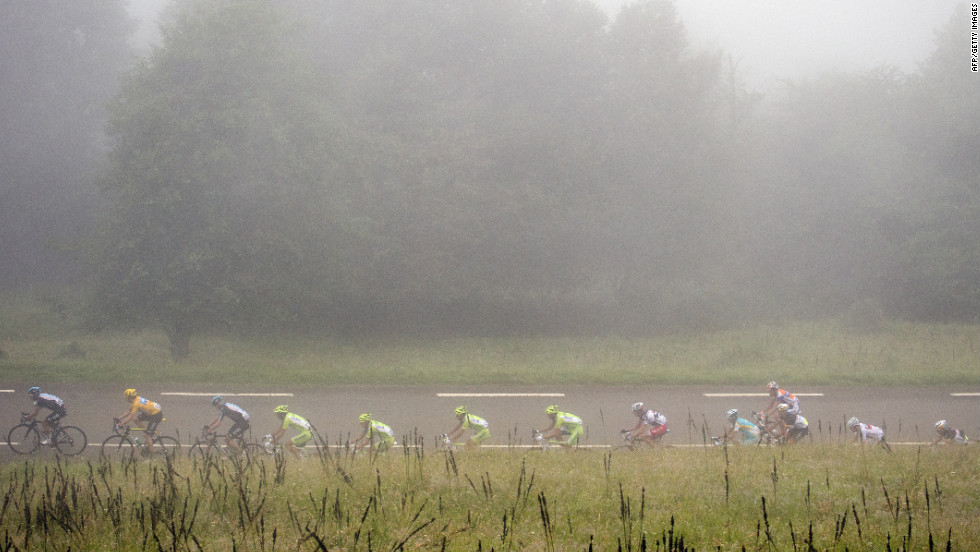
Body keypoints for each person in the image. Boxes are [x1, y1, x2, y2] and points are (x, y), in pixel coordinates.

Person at [115, 388, 164, 454]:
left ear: (128, 397)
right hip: (153, 412)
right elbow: (128, 412)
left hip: (156, 415)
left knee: (147, 436)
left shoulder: (136, 404)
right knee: (136, 419)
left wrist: (120, 424)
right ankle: (147, 432)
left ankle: (152, 456)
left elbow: (130, 417)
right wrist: (118, 418)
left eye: (125, 396)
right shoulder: (136, 399)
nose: (125, 398)